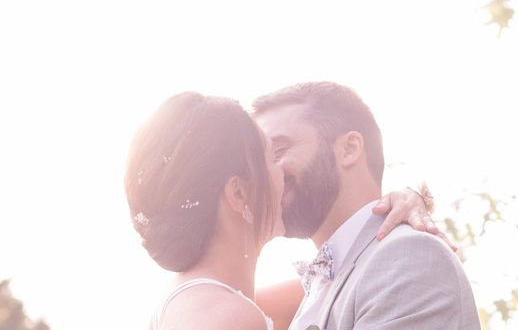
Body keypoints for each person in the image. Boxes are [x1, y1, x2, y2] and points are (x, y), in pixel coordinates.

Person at [124, 91, 441, 330]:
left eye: (281, 151)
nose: (280, 172)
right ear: (237, 192)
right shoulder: (224, 316)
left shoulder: (210, 299)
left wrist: (402, 205)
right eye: (270, 156)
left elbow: (343, 277)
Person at [252, 82, 481, 330]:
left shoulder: (407, 255)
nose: (266, 176)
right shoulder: (321, 284)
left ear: (349, 149)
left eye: (278, 151)